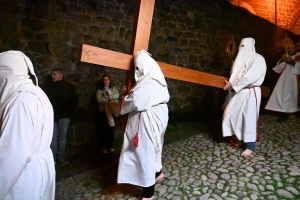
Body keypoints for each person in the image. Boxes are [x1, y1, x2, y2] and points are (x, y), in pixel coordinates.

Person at [0, 51, 55, 199]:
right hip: (40, 167)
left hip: (24, 175)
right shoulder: (36, 93)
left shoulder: (20, 101)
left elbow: (11, 158)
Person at [117, 50, 169, 200]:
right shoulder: (151, 78)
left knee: (145, 153)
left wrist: (125, 99)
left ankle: (148, 193)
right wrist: (129, 94)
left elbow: (136, 101)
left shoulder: (152, 80)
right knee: (153, 149)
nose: (137, 72)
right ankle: (157, 173)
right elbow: (138, 95)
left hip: (149, 121)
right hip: (154, 118)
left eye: (139, 68)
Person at [223, 38, 267, 157]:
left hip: (251, 91)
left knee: (249, 118)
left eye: (245, 47)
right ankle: (239, 138)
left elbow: (250, 77)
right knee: (231, 113)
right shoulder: (242, 60)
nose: (242, 50)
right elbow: (237, 74)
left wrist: (232, 84)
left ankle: (250, 146)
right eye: (240, 48)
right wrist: (231, 82)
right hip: (241, 91)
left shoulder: (258, 59)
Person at [44, 68, 78, 165]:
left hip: (63, 116)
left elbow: (74, 100)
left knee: (60, 137)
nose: (52, 76)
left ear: (60, 75)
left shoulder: (68, 87)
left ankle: (59, 157)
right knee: (54, 138)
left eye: (54, 74)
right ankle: (55, 158)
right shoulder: (49, 87)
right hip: (55, 116)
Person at [265, 43, 300, 122]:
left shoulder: (299, 56)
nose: (290, 49)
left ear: (296, 48)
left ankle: (291, 113)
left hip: (294, 81)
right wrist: (284, 60)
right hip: (284, 79)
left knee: (292, 97)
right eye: (289, 48)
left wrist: (291, 62)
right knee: (282, 96)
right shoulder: (285, 55)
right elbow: (278, 66)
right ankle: (283, 115)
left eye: (292, 48)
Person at [96, 74, 120, 153]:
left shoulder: (113, 89)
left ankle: (110, 146)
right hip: (103, 112)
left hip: (112, 111)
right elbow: (99, 99)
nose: (106, 81)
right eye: (104, 80)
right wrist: (108, 100)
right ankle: (103, 147)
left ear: (109, 81)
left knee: (111, 129)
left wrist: (108, 98)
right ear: (102, 81)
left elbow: (117, 95)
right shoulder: (99, 90)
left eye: (107, 80)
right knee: (103, 130)